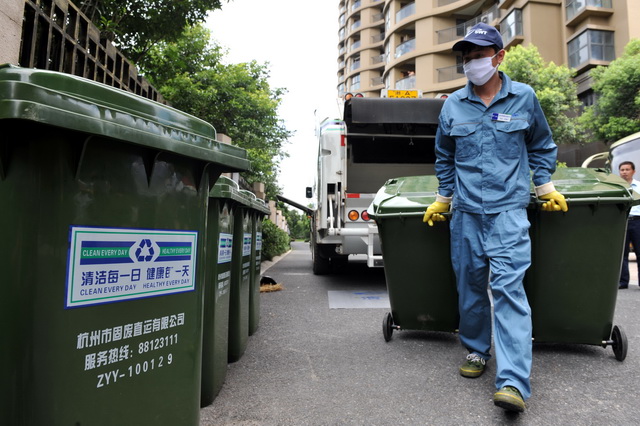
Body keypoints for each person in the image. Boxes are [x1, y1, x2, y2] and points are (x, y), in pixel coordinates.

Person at [422, 23, 568, 413]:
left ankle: (513, 383)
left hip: (508, 212)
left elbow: (541, 144)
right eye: (466, 58)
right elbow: (445, 156)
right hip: (466, 212)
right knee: (470, 288)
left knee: (508, 291)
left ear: (499, 57)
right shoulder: (452, 105)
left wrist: (544, 186)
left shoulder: (523, 97)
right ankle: (475, 351)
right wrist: (442, 198)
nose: (472, 64)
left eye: (479, 56)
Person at [618, 161, 640, 289]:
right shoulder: (617, 187)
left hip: (637, 222)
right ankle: (623, 282)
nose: (624, 172)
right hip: (622, 222)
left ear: (633, 171)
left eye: (627, 169)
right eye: (622, 170)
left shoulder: (639, 186)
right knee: (622, 253)